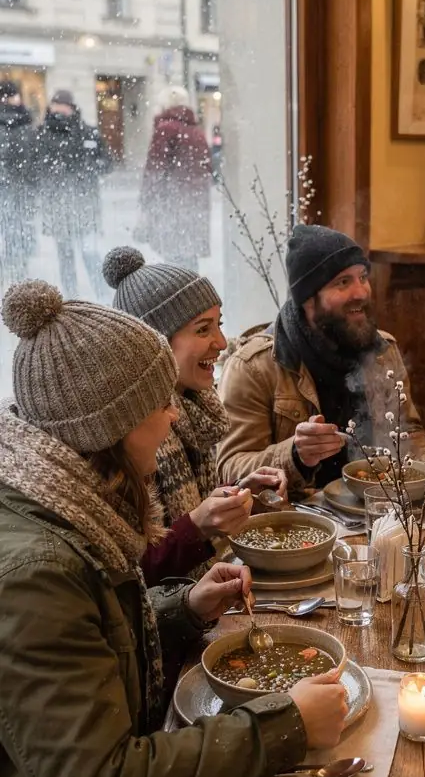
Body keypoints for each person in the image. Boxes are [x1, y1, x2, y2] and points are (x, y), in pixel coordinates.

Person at [0, 279, 347, 777]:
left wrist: (181, 610)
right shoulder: (36, 568)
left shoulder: (58, 508)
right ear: (108, 425)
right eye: (155, 406)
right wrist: (284, 726)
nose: (169, 419)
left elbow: (86, 656)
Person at [218, 223, 425, 495]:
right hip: (300, 519)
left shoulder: (383, 351)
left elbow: (407, 433)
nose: (361, 292)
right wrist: (296, 455)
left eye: (362, 277)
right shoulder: (253, 367)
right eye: (343, 282)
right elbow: (229, 468)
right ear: (308, 299)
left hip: (379, 509)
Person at [103, 246, 288, 583]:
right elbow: (127, 572)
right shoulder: (133, 431)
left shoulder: (197, 407)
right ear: (155, 345)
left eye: (219, 324)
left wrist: (239, 492)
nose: (221, 342)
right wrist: (200, 525)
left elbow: (194, 510)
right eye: (202, 330)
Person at [35, 88, 110, 299]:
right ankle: (71, 297)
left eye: (63, 105)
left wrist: (90, 167)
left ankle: (102, 295)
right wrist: (49, 171)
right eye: (56, 105)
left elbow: (107, 162)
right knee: (65, 254)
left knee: (89, 251)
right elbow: (33, 167)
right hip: (58, 204)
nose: (59, 110)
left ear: (71, 107)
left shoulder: (87, 132)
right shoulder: (42, 134)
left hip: (85, 203)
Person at [138, 86, 211, 270]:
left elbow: (154, 171)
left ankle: (179, 297)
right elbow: (207, 168)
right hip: (195, 205)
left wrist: (146, 203)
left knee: (172, 261)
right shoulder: (197, 132)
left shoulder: (166, 129)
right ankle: (196, 297)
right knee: (189, 258)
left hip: (171, 204)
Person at [0, 78, 36, 287]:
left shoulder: (26, 122)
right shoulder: (26, 122)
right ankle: (18, 270)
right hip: (21, 185)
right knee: (19, 228)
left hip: (13, 184)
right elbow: (34, 156)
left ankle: (14, 270)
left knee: (11, 228)